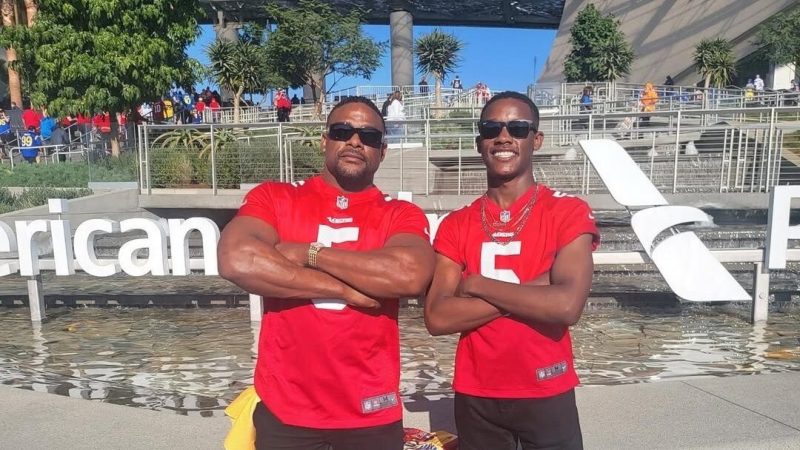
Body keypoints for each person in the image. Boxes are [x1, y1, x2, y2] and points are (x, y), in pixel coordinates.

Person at [217, 96, 435, 450]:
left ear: (383, 151)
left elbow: (410, 275)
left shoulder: (400, 213)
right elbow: (237, 260)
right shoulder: (275, 197)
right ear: (324, 140)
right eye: (342, 131)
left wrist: (308, 253)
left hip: (370, 409)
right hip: (287, 410)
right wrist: (344, 290)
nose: (354, 141)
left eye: (369, 136)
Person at [425, 91, 599, 450]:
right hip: (476, 392)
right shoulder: (457, 223)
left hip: (546, 385)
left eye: (518, 128)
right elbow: (438, 318)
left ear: (536, 139)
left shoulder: (567, 212)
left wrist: (476, 284)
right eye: (492, 128)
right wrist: (536, 288)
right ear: (479, 142)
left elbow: (567, 306)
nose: (503, 137)